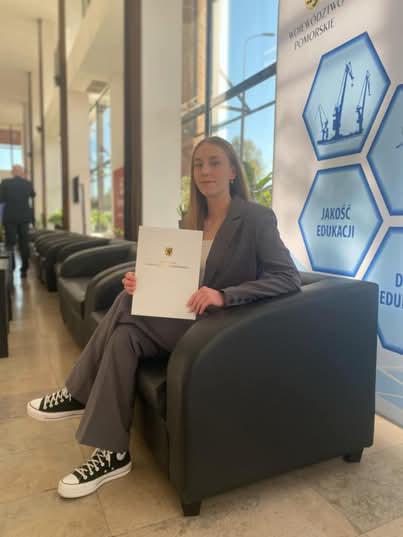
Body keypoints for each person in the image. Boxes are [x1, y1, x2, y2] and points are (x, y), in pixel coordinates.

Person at [27, 136, 301, 499]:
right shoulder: (190, 221)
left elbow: (288, 277)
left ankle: (77, 392)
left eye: (215, 162)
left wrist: (224, 295)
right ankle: (112, 453)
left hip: (222, 329)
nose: (205, 171)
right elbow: (179, 278)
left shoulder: (255, 218)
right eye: (198, 164)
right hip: (185, 319)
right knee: (124, 333)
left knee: (125, 305)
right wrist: (144, 283)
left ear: (233, 171)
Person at [0, 165, 35, 277]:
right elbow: (33, 195)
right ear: (22, 172)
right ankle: (24, 270)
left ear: (12, 172)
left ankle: (11, 268)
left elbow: (1, 199)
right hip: (24, 218)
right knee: (24, 243)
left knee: (10, 244)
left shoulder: (5, 182)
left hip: (10, 217)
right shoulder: (27, 183)